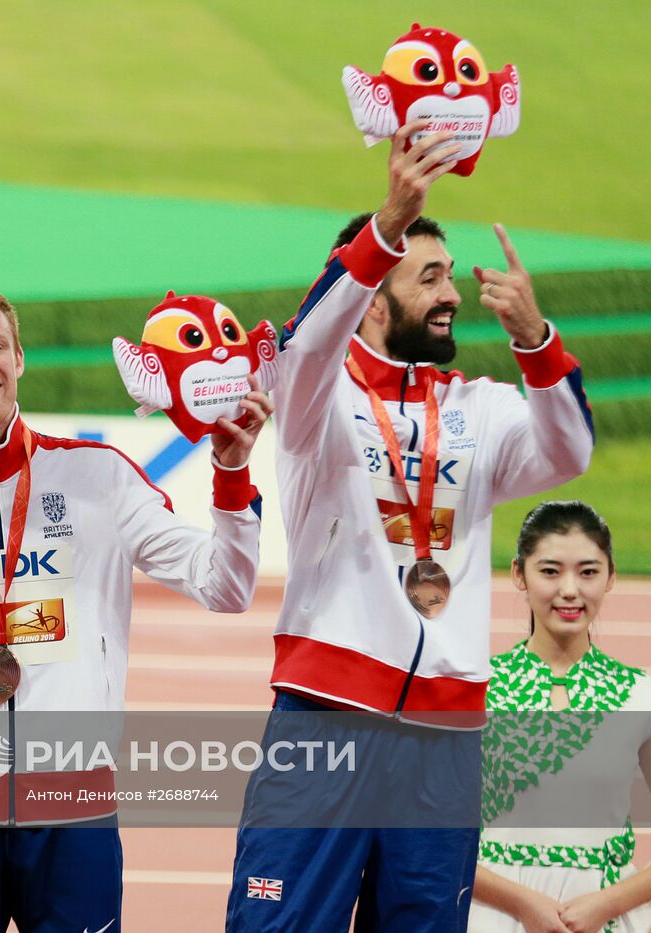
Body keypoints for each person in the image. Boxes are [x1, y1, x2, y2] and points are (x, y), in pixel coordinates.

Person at [226, 121, 597, 931]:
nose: (453, 293)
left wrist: (536, 339)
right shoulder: (314, 402)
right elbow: (308, 342)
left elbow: (570, 451)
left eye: (450, 277)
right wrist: (387, 222)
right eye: (429, 277)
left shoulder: (483, 407)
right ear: (374, 298)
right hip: (328, 715)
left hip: (445, 739)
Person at [0, 281, 270, 932]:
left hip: (75, 802)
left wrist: (231, 473)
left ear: (20, 359)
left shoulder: (101, 477)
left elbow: (227, 587)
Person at [471, 502, 651, 933]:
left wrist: (605, 904)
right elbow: (431, 834)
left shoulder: (640, 693)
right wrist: (521, 902)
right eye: (550, 571)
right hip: (493, 914)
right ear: (519, 574)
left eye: (588, 572)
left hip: (606, 917)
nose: (569, 590)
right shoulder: (476, 690)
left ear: (610, 577)